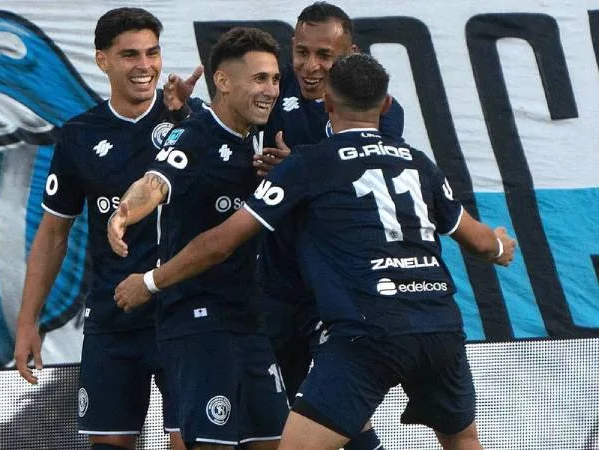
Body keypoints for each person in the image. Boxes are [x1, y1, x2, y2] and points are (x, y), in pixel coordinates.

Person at [114, 54, 516, 450]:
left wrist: (149, 282)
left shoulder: (308, 164)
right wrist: (501, 244)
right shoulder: (418, 163)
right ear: (386, 105)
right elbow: (482, 243)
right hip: (439, 326)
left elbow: (221, 242)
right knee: (464, 440)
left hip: (367, 331)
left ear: (327, 103)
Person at [13, 7, 202, 450]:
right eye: (130, 55)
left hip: (184, 316)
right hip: (113, 319)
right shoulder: (79, 135)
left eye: (152, 53)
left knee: (192, 443)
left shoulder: (193, 122)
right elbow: (53, 234)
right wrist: (27, 321)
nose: (145, 66)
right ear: (103, 60)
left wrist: (189, 118)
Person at [107, 28, 289, 450]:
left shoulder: (259, 138)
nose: (271, 90)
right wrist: (124, 213)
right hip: (199, 321)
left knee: (276, 443)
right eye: (259, 79)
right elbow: (154, 182)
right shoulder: (194, 135)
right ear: (222, 81)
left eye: (275, 79)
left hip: (250, 321)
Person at [259, 5, 402, 448]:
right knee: (275, 415)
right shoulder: (270, 86)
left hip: (337, 286)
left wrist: (296, 168)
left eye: (325, 55)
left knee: (337, 412)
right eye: (302, 52)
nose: (310, 66)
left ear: (351, 53)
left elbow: (358, 176)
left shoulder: (375, 108)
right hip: (277, 282)